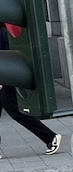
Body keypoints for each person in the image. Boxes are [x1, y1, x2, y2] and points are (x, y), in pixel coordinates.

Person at [0, 25, 61, 159]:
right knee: (17, 113)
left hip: (5, 80)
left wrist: (3, 80)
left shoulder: (2, 32)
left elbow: (7, 56)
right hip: (4, 78)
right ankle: (50, 137)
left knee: (17, 113)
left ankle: (50, 137)